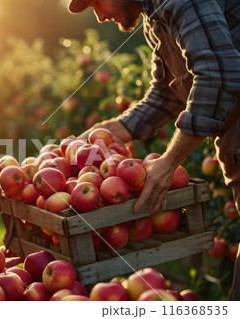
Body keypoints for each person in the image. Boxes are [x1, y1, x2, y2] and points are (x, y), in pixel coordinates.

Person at [67, 0, 240, 300]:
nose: (99, 14)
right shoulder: (154, 18)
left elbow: (219, 74)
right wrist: (112, 129)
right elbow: (166, 95)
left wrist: (169, 162)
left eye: (96, 1)